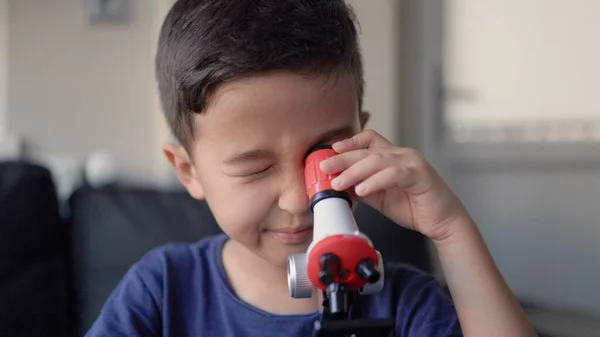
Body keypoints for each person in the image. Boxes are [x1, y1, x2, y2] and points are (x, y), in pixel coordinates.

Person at [86, 0, 537, 336]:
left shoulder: (404, 303)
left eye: (322, 157)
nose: (301, 198)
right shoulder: (162, 292)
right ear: (189, 171)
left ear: (362, 138)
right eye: (256, 168)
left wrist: (452, 230)